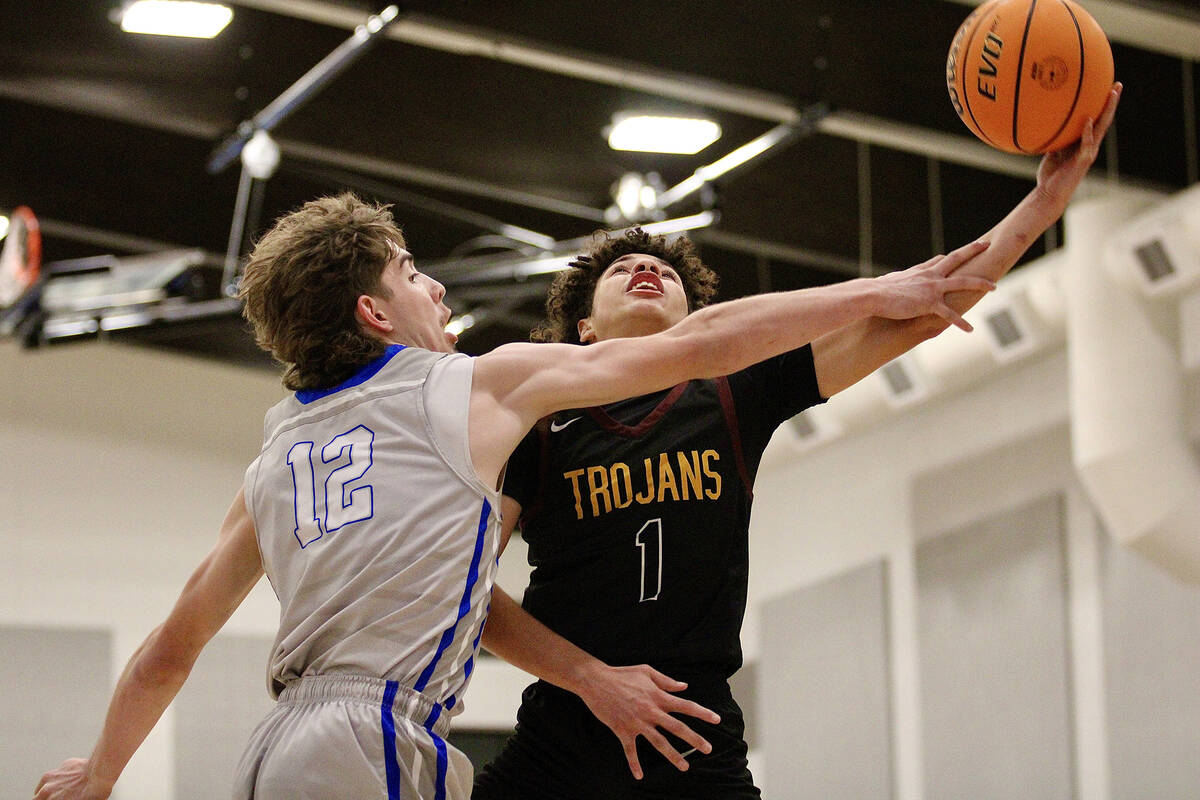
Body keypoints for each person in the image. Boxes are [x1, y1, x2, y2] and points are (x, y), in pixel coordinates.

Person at [31, 186, 996, 800]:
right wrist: (879, 290)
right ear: (374, 313)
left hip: (273, 748)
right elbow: (701, 345)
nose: (438, 289)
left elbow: (167, 653)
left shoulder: (271, 458)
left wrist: (101, 773)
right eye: (413, 274)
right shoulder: (466, 388)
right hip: (377, 731)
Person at [472, 86, 1122, 799]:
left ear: (694, 321)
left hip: (692, 731)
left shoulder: (731, 394)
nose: (646, 271)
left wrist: (1045, 204)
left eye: (666, 273)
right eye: (620, 271)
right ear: (585, 329)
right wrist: (592, 679)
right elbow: (465, 590)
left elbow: (933, 303)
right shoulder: (539, 424)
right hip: (563, 734)